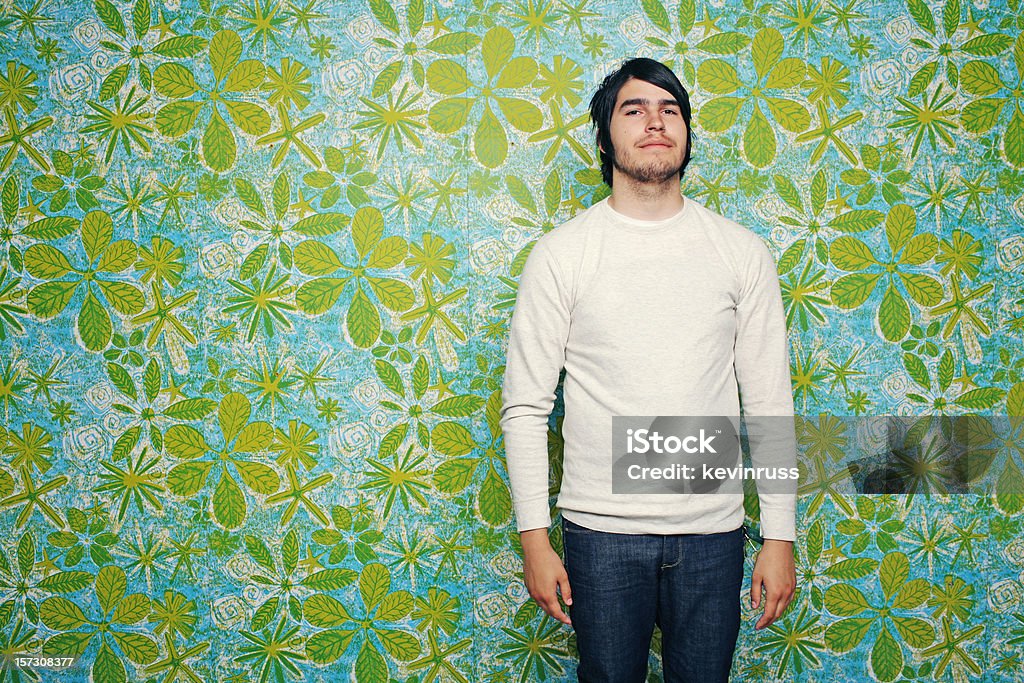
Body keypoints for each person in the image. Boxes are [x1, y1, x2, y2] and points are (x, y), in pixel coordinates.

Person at [499, 57, 797, 682]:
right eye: (633, 109)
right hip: (599, 537)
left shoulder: (741, 252)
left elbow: (767, 402)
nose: (655, 122)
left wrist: (779, 537)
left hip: (714, 536)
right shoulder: (561, 255)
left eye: (670, 109)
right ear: (606, 137)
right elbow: (527, 407)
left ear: (687, 132)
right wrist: (534, 540)